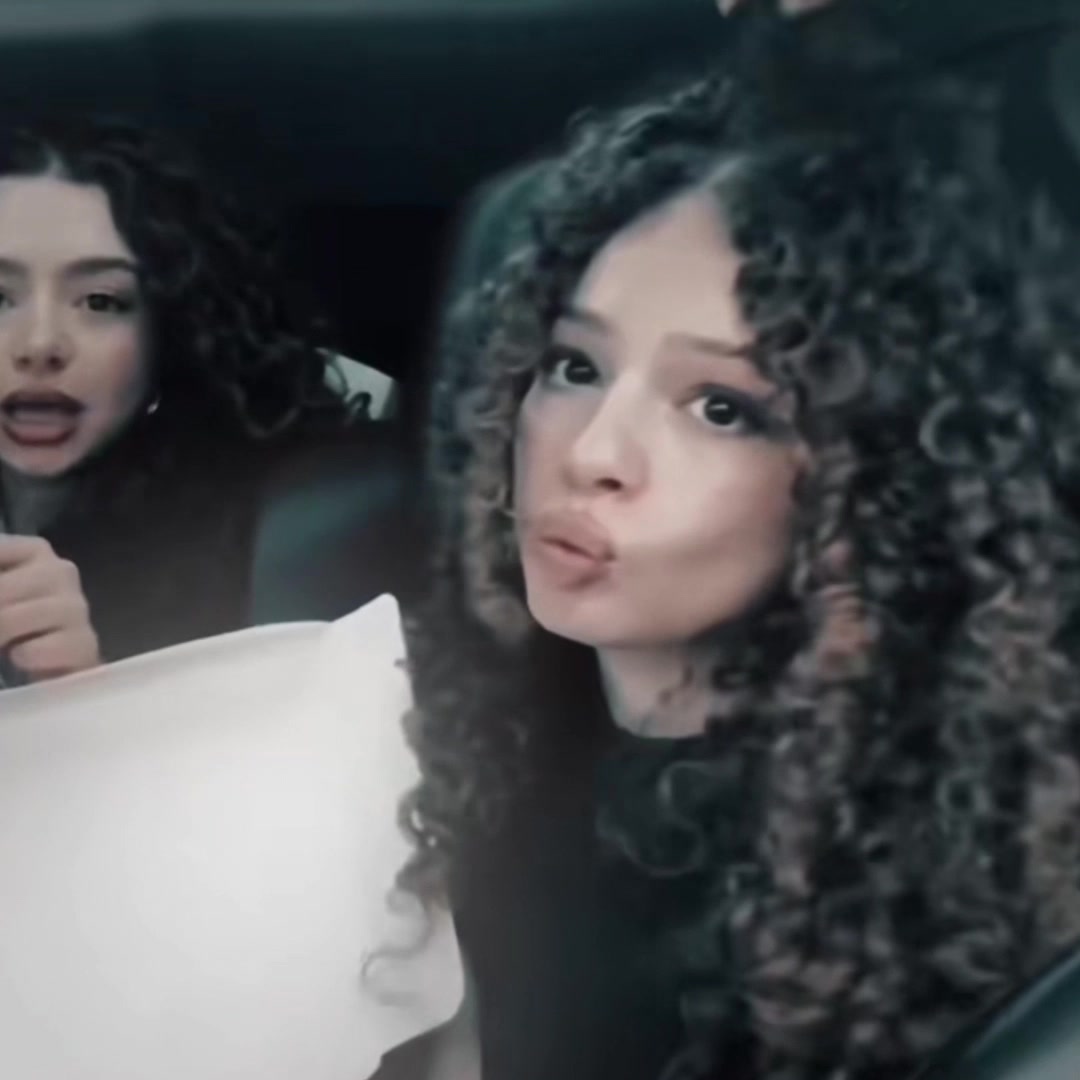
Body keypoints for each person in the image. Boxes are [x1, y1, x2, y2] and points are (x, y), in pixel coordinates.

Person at [402, 7, 1080, 1080]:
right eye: (576, 367)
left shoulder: (865, 909)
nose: (595, 453)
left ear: (869, 486)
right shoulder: (441, 737)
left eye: (722, 408)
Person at [0, 113, 359, 684]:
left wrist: (78, 686)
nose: (40, 344)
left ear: (165, 332)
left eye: (100, 301)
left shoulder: (258, 545)